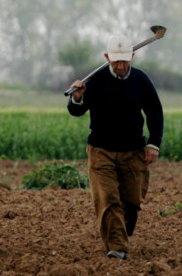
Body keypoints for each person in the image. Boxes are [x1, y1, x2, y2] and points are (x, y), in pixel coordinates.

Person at [67, 33, 164, 260]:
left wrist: (153, 144)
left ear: (132, 56)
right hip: (101, 151)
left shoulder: (141, 81)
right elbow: (76, 111)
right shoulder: (94, 82)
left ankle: (121, 233)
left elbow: (155, 113)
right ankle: (117, 247)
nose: (120, 66)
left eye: (124, 60)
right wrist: (77, 97)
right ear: (106, 57)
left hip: (133, 151)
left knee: (131, 202)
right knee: (108, 199)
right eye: (115, 61)